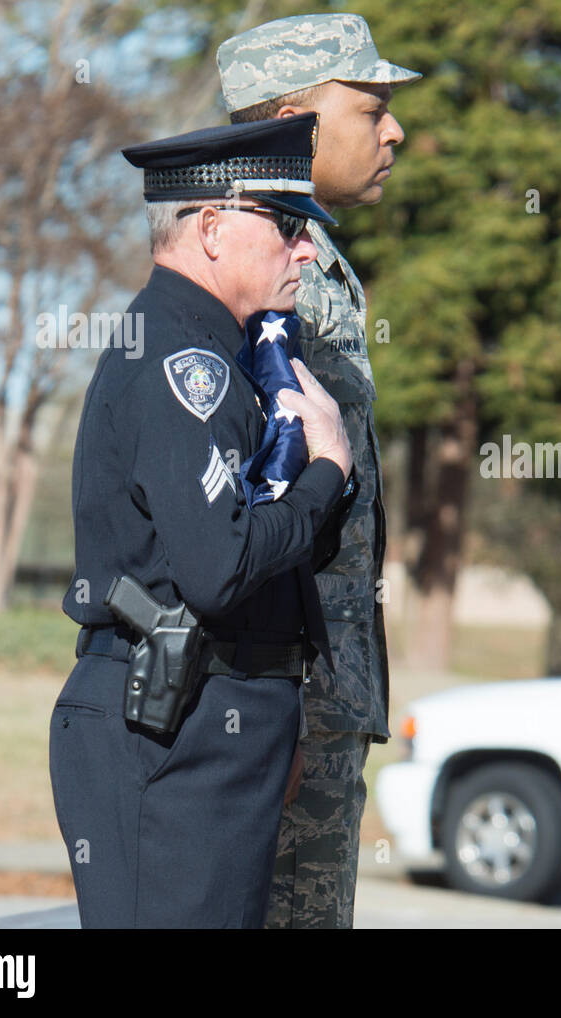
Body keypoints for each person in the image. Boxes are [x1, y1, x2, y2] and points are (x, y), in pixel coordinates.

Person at [49, 113, 356, 928]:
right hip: (174, 730)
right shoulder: (185, 363)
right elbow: (220, 569)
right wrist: (327, 471)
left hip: (208, 725)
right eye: (287, 225)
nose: (306, 250)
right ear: (212, 227)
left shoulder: (218, 353)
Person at [216, 12, 420, 929]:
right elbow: (246, 492)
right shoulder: (252, 253)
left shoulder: (313, 253)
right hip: (281, 688)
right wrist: (270, 695)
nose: (394, 130)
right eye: (370, 106)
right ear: (295, 119)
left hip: (317, 686)